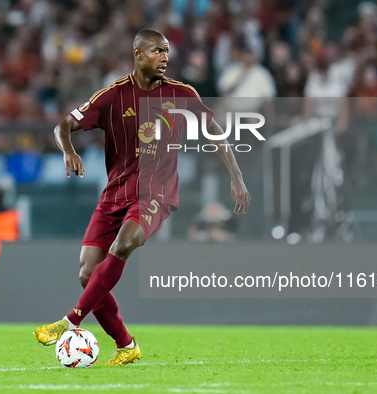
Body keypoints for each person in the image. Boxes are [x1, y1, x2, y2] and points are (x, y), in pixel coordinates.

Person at [33, 29, 251, 366]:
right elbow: (62, 126)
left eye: (167, 52)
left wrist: (236, 177)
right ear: (138, 54)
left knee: (124, 243)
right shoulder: (112, 96)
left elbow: (216, 132)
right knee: (87, 272)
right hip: (114, 195)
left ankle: (70, 321)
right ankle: (126, 346)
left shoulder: (181, 94)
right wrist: (68, 151)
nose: (165, 58)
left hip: (156, 193)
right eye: (157, 52)